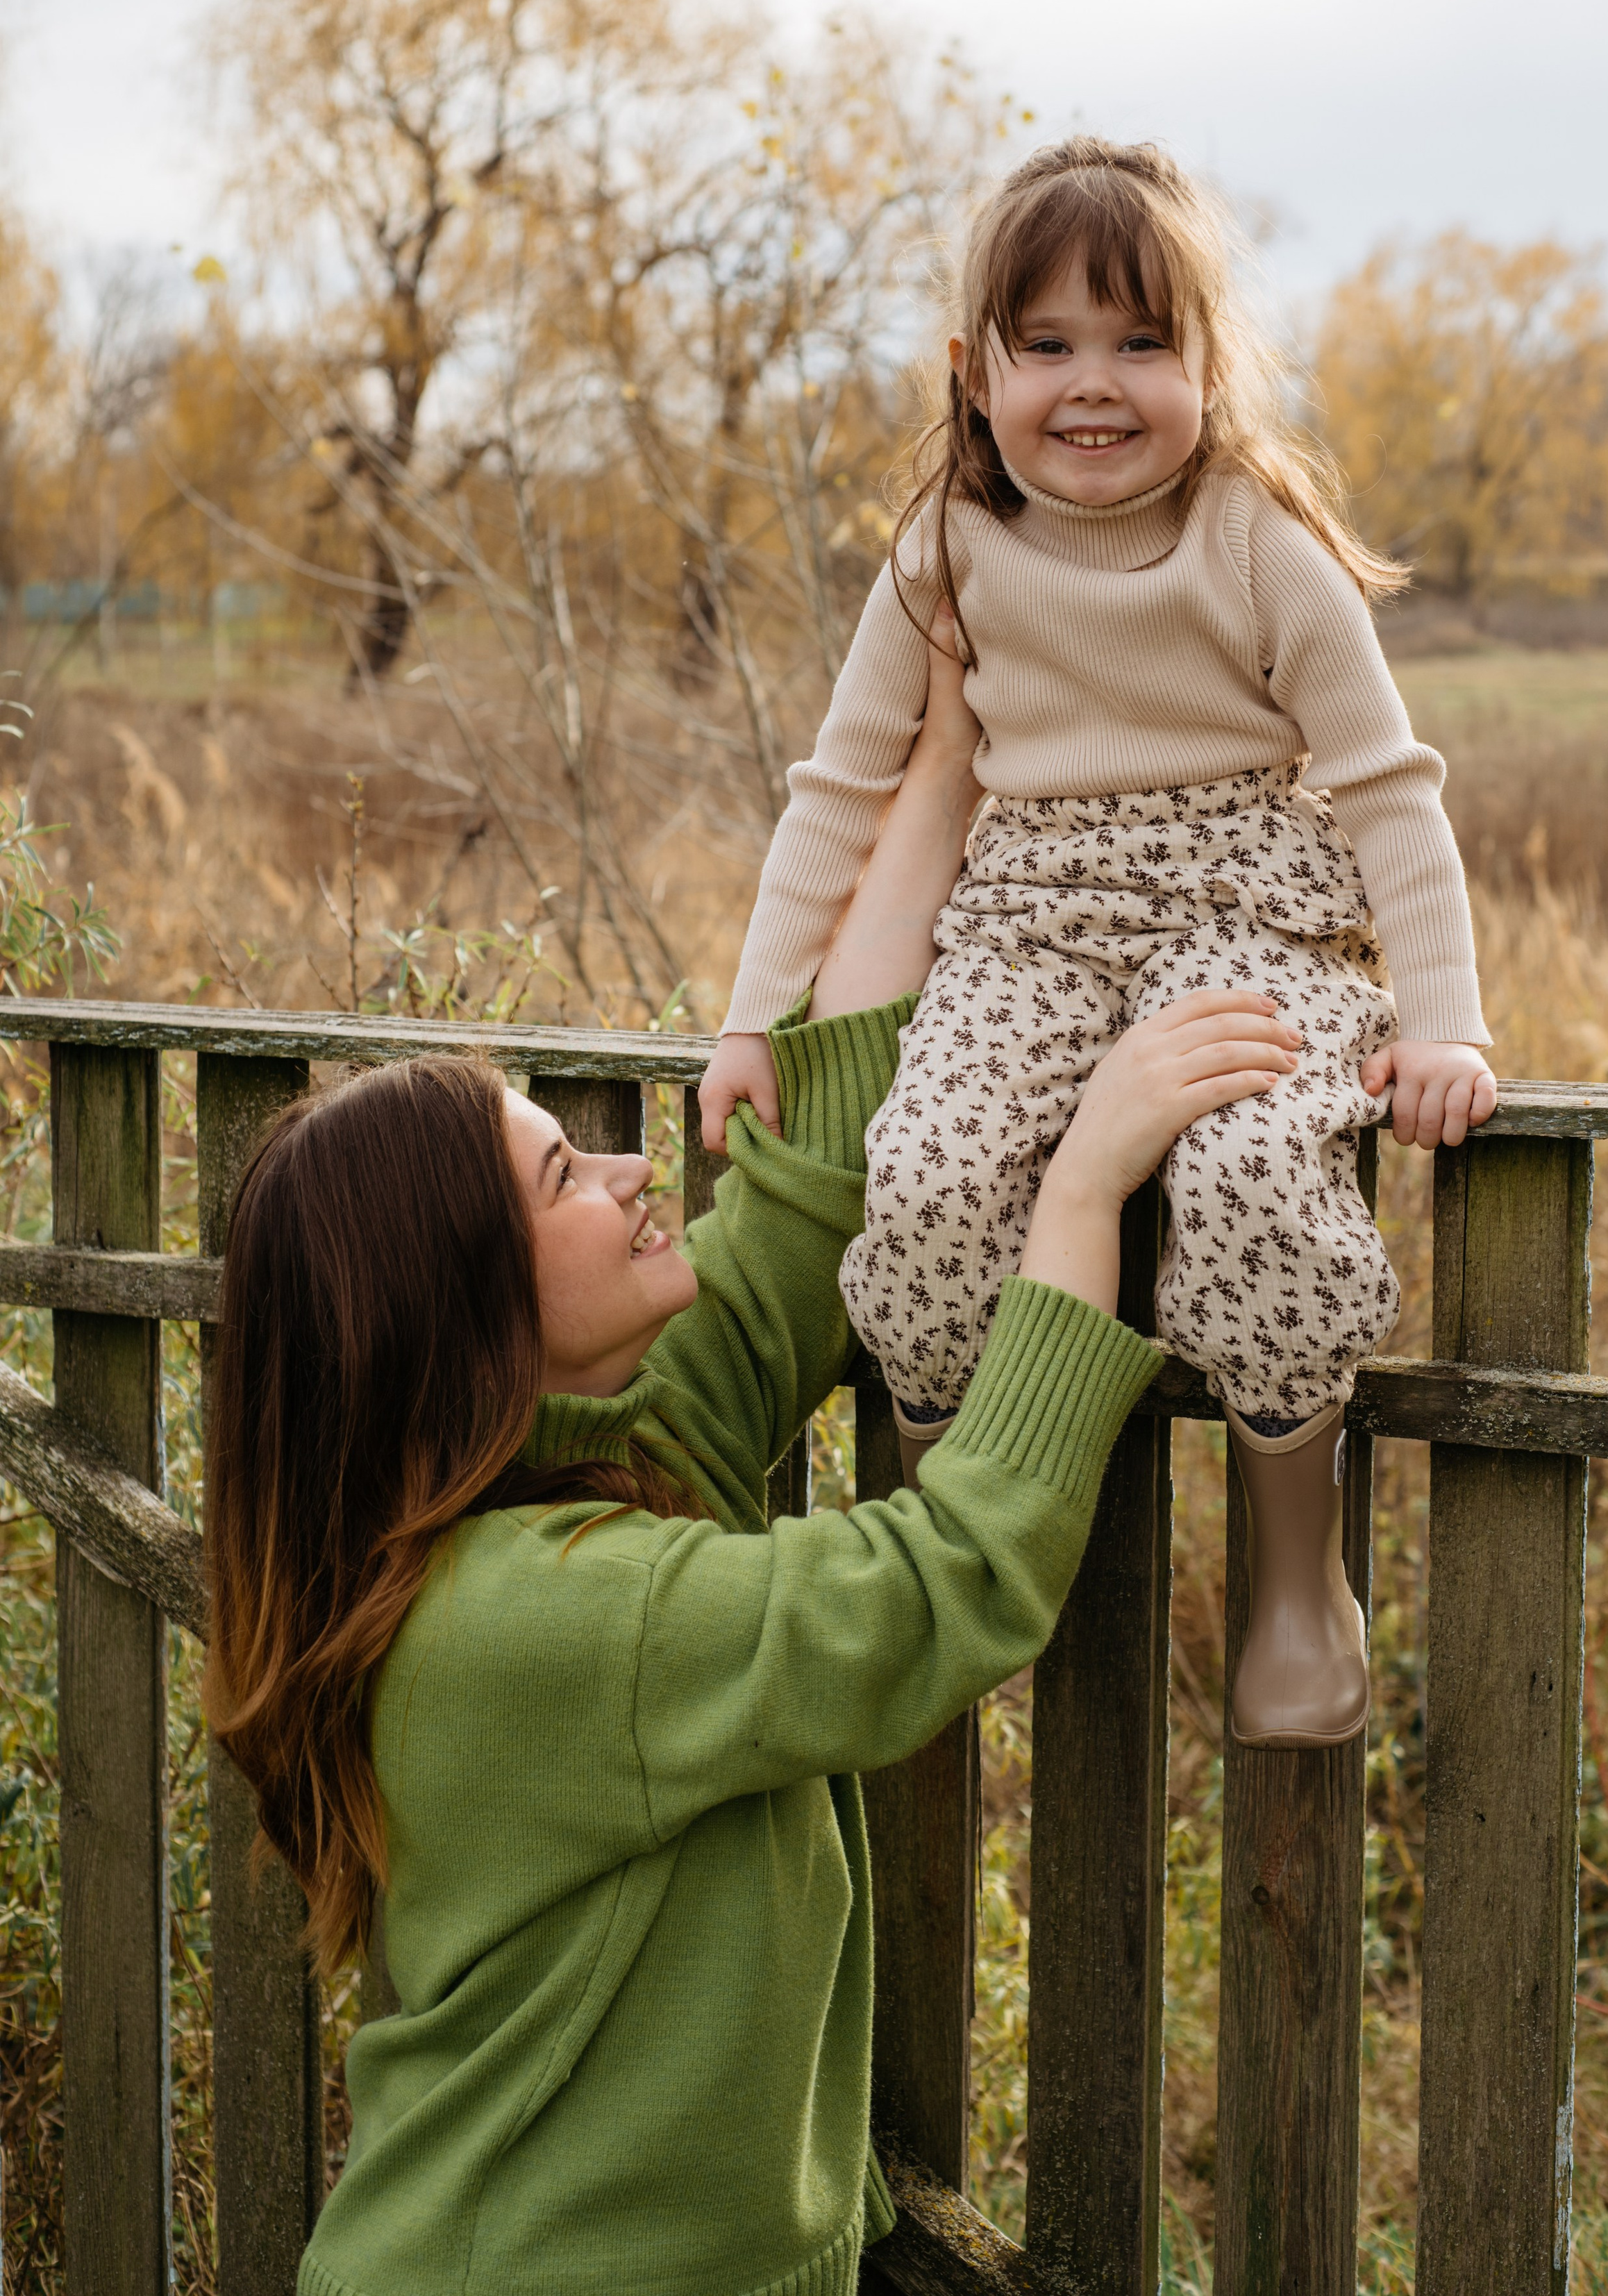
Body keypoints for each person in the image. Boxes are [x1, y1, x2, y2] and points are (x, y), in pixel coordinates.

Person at [202, 632, 1296, 2296]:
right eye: (567, 1174)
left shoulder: (589, 1476)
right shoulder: (538, 1616)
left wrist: (942, 751)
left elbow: (798, 1202)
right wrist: (1079, 1190)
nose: (642, 1172)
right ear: (464, 1312)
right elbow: (937, 1588)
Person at [701, 136, 1496, 1750]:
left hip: (1244, 914)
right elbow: (840, 788)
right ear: (972, 367)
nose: (1094, 383)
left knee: (1259, 1166)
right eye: (1047, 343)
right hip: (1027, 927)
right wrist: (746, 1017)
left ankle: (1293, 1576)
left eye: (1141, 342)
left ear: (1210, 364)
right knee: (926, 1173)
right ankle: (954, 1554)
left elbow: (1388, 795)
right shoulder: (940, 546)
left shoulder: (1253, 541)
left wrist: (1444, 1022)